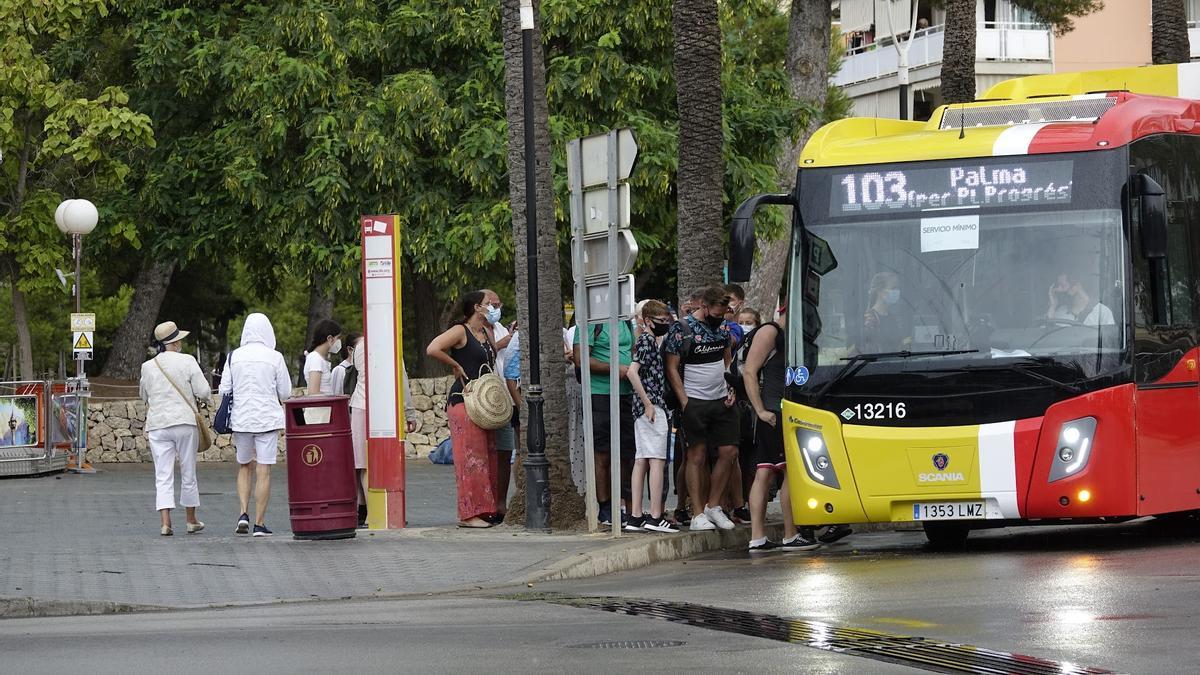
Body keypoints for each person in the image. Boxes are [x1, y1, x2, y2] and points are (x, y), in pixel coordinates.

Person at [664, 285, 740, 531]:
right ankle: (697, 513)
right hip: (694, 400)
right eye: (717, 314)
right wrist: (684, 400)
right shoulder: (682, 328)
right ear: (704, 307)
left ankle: (713, 505)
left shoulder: (724, 327)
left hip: (721, 399)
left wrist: (731, 388)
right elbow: (672, 367)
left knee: (729, 451)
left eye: (723, 314)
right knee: (696, 456)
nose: (720, 318)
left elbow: (727, 356)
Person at [740, 320, 820, 552]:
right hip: (774, 412)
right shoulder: (771, 331)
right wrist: (761, 411)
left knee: (765, 471)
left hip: (781, 411)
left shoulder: (797, 333)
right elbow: (749, 372)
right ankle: (790, 533)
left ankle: (758, 538)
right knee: (788, 471)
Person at [426, 291, 500, 529]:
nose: (493, 307)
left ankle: (485, 508)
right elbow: (433, 348)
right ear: (477, 307)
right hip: (463, 400)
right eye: (489, 304)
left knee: (487, 456)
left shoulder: (486, 332)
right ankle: (468, 514)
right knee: (470, 457)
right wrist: (455, 364)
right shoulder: (461, 330)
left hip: (484, 402)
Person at [221, 313, 292, 537]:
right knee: (264, 470)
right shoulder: (275, 357)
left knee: (244, 466)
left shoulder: (234, 356)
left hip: (241, 419)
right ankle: (259, 524)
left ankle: (243, 513)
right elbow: (286, 392)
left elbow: (224, 388)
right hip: (267, 419)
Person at [139, 321, 211, 536]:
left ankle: (165, 523)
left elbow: (144, 395)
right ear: (176, 341)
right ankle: (191, 519)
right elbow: (204, 391)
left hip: (158, 424)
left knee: (162, 474)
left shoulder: (148, 366)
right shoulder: (187, 361)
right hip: (184, 422)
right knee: (188, 471)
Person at [574, 316, 637, 527]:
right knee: (603, 453)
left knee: (627, 453)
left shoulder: (626, 321)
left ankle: (629, 507)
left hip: (626, 393)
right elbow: (580, 358)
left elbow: (632, 350)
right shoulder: (591, 322)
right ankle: (605, 507)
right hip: (599, 393)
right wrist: (614, 368)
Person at [626, 300, 679, 533]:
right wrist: (648, 403)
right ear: (648, 321)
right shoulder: (647, 341)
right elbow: (632, 372)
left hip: (644, 407)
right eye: (660, 322)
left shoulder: (644, 341)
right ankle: (655, 516)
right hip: (651, 407)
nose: (664, 325)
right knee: (656, 460)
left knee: (641, 460)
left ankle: (636, 515)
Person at [862, 272, 911, 352]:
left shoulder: (893, 317)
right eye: (893, 288)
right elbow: (871, 350)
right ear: (880, 291)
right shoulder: (870, 319)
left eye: (898, 288)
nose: (897, 291)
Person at [1047, 273, 1115, 326]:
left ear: (1077, 284)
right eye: (1058, 286)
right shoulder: (1061, 312)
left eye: (1063, 285)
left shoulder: (1103, 312)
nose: (1060, 289)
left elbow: (1109, 340)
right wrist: (1052, 306)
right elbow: (1048, 334)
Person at [304, 319, 343, 395]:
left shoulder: (320, 358)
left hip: (325, 406)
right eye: (338, 338)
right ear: (330, 339)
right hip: (320, 406)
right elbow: (314, 392)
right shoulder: (315, 359)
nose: (339, 341)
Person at [329, 331, 360, 396]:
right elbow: (335, 396)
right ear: (350, 350)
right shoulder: (340, 370)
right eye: (360, 348)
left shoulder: (360, 369)